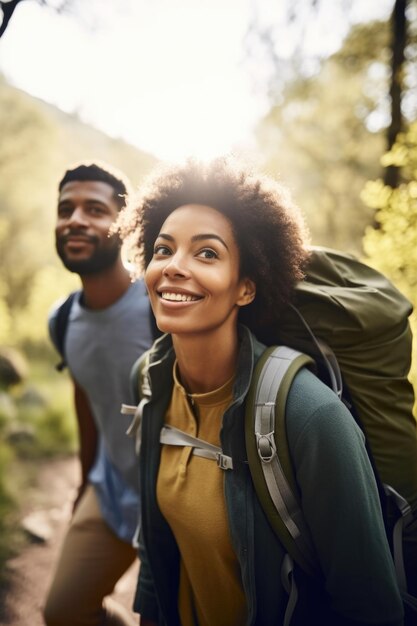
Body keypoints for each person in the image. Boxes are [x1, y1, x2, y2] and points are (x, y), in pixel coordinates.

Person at [117, 157, 404, 626]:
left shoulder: (309, 416)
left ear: (245, 288)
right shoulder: (149, 379)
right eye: (163, 250)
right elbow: (156, 550)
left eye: (206, 253)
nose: (174, 267)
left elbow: (370, 607)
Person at [44, 162, 154, 626]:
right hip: (109, 491)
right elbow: (88, 401)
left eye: (94, 209)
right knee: (64, 612)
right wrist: (84, 482)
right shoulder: (62, 319)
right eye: (66, 209)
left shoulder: (160, 303)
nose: (76, 219)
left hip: (176, 505)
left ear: (123, 224)